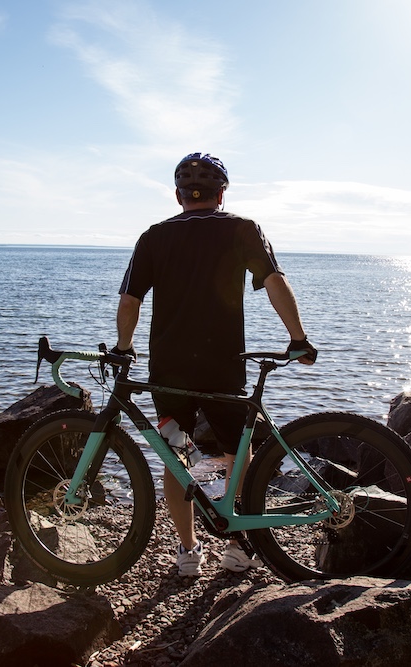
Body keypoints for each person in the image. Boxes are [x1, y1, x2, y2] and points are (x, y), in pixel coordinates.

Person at [113, 152, 317, 577]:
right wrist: (298, 338)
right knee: (233, 451)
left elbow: (130, 299)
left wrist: (124, 346)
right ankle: (238, 543)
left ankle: (187, 552)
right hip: (224, 363)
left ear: (178, 195)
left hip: (169, 366)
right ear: (222, 193)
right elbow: (275, 282)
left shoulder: (154, 236)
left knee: (174, 455)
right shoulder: (242, 228)